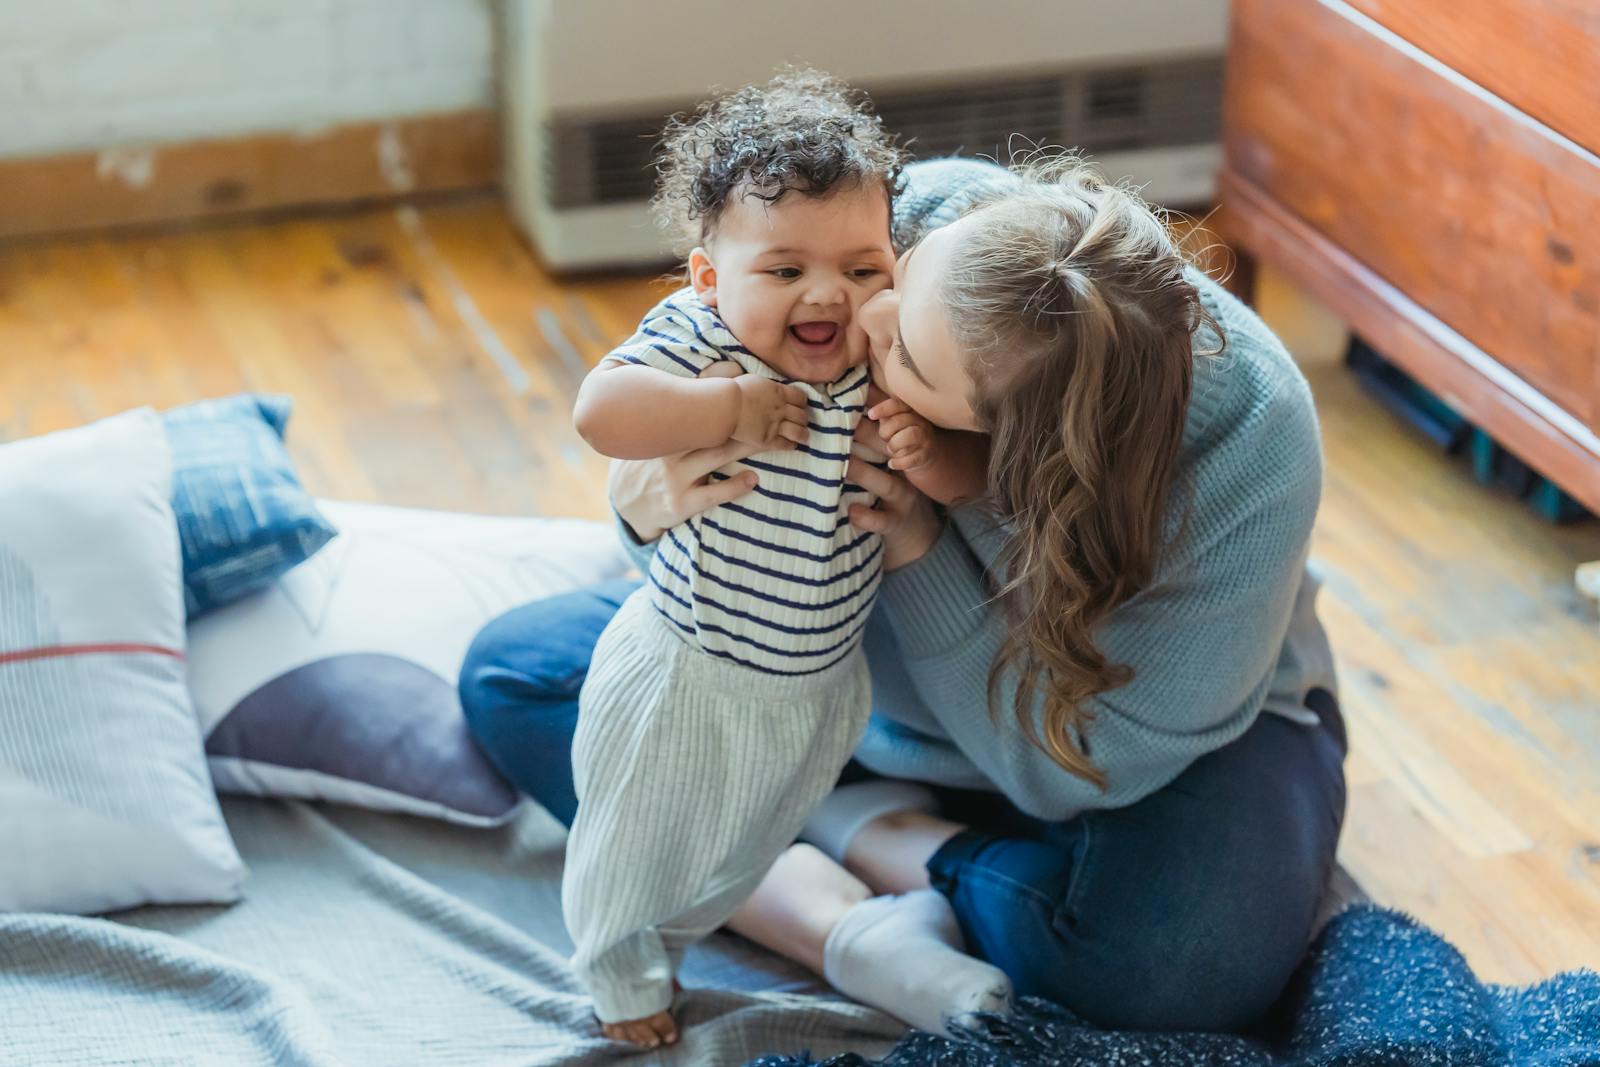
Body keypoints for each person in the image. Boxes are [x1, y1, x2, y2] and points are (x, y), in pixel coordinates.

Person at [461, 151, 1347, 1040]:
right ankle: (827, 908)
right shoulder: (896, 225)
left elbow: (1076, 766)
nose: (864, 315)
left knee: (1174, 975)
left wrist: (921, 547)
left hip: (1103, 744)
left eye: (908, 356)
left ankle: (869, 835)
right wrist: (642, 506)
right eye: (901, 278)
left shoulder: (1250, 454)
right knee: (518, 673)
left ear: (1014, 453)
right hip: (826, 673)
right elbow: (674, 421)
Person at [557, 72, 1006, 1050]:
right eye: (784, 269)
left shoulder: (884, 356)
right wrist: (722, 410)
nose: (825, 295)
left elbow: (976, 471)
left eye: (859, 268)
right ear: (710, 277)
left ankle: (699, 919)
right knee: (641, 834)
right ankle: (618, 963)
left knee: (740, 848)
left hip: (819, 685)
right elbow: (601, 411)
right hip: (690, 666)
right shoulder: (702, 339)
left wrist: (936, 460)